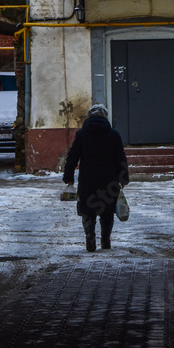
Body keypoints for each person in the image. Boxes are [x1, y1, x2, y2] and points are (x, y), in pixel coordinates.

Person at [63, 104, 129, 252]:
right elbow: (121, 158)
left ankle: (90, 237)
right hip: (109, 179)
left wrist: (68, 177)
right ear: (105, 116)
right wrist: (123, 178)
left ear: (89, 116)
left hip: (88, 179)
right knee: (107, 211)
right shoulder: (113, 134)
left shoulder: (82, 134)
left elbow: (73, 156)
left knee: (88, 210)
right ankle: (105, 240)